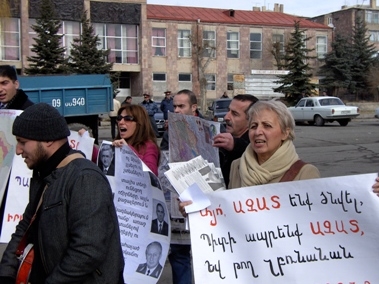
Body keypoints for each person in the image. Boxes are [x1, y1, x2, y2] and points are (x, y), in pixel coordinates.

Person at [0, 103, 124, 284]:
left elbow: (87, 250)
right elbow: (25, 227)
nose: (18, 150)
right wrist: (6, 273)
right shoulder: (44, 172)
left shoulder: (85, 179)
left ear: (48, 140)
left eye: (23, 142)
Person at [228, 100, 320, 188]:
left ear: (285, 133)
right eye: (253, 126)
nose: (257, 132)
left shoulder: (305, 173)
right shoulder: (237, 166)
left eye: (267, 126)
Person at [160, 89, 201, 284]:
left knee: (206, 255)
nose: (176, 110)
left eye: (181, 106)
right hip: (178, 204)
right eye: (174, 106)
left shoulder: (208, 129)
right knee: (179, 254)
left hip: (204, 203)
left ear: (194, 108)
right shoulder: (170, 133)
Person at [213, 94, 258, 187]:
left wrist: (235, 146)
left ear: (251, 120)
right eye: (228, 110)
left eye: (235, 114)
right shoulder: (222, 137)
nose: (226, 117)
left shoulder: (258, 143)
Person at [112, 104, 160, 175]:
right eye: (119, 118)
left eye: (128, 118)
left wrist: (128, 151)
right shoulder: (117, 144)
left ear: (139, 123)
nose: (121, 122)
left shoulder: (149, 146)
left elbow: (152, 174)